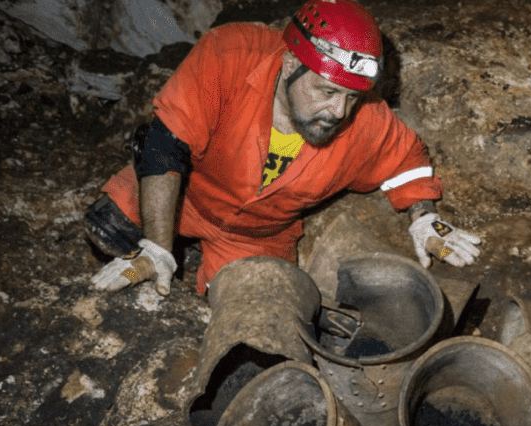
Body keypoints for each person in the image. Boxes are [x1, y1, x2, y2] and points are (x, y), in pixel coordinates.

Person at [85, 0, 480, 297]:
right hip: (188, 194)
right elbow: (163, 144)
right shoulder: (230, 56)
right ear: (291, 62)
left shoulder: (364, 120)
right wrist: (156, 246)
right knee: (107, 228)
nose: (338, 111)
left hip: (255, 235)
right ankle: (163, 248)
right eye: (327, 91)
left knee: (261, 315)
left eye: (352, 97)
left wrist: (424, 218)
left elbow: (407, 160)